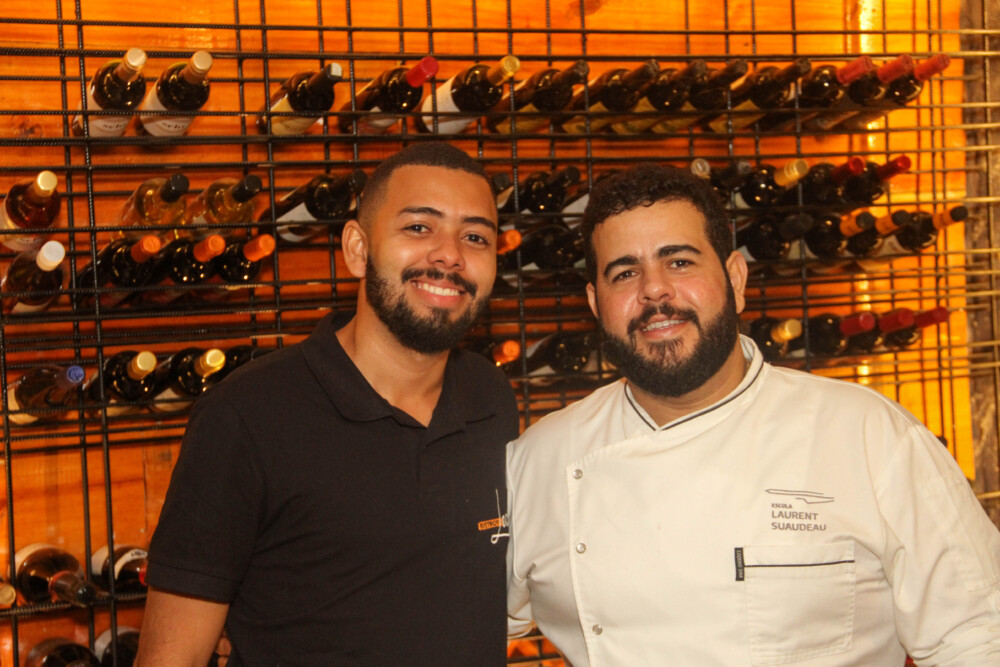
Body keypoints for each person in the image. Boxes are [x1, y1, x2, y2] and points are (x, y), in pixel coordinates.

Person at [506, 163, 1000, 665]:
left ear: (735, 279)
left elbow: (979, 637)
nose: (654, 290)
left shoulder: (868, 434)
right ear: (596, 303)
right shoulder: (540, 459)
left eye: (679, 262)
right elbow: (467, 621)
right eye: (625, 273)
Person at [137, 142, 519, 666]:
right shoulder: (248, 415)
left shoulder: (491, 398)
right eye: (418, 227)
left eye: (475, 237)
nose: (449, 254)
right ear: (358, 249)